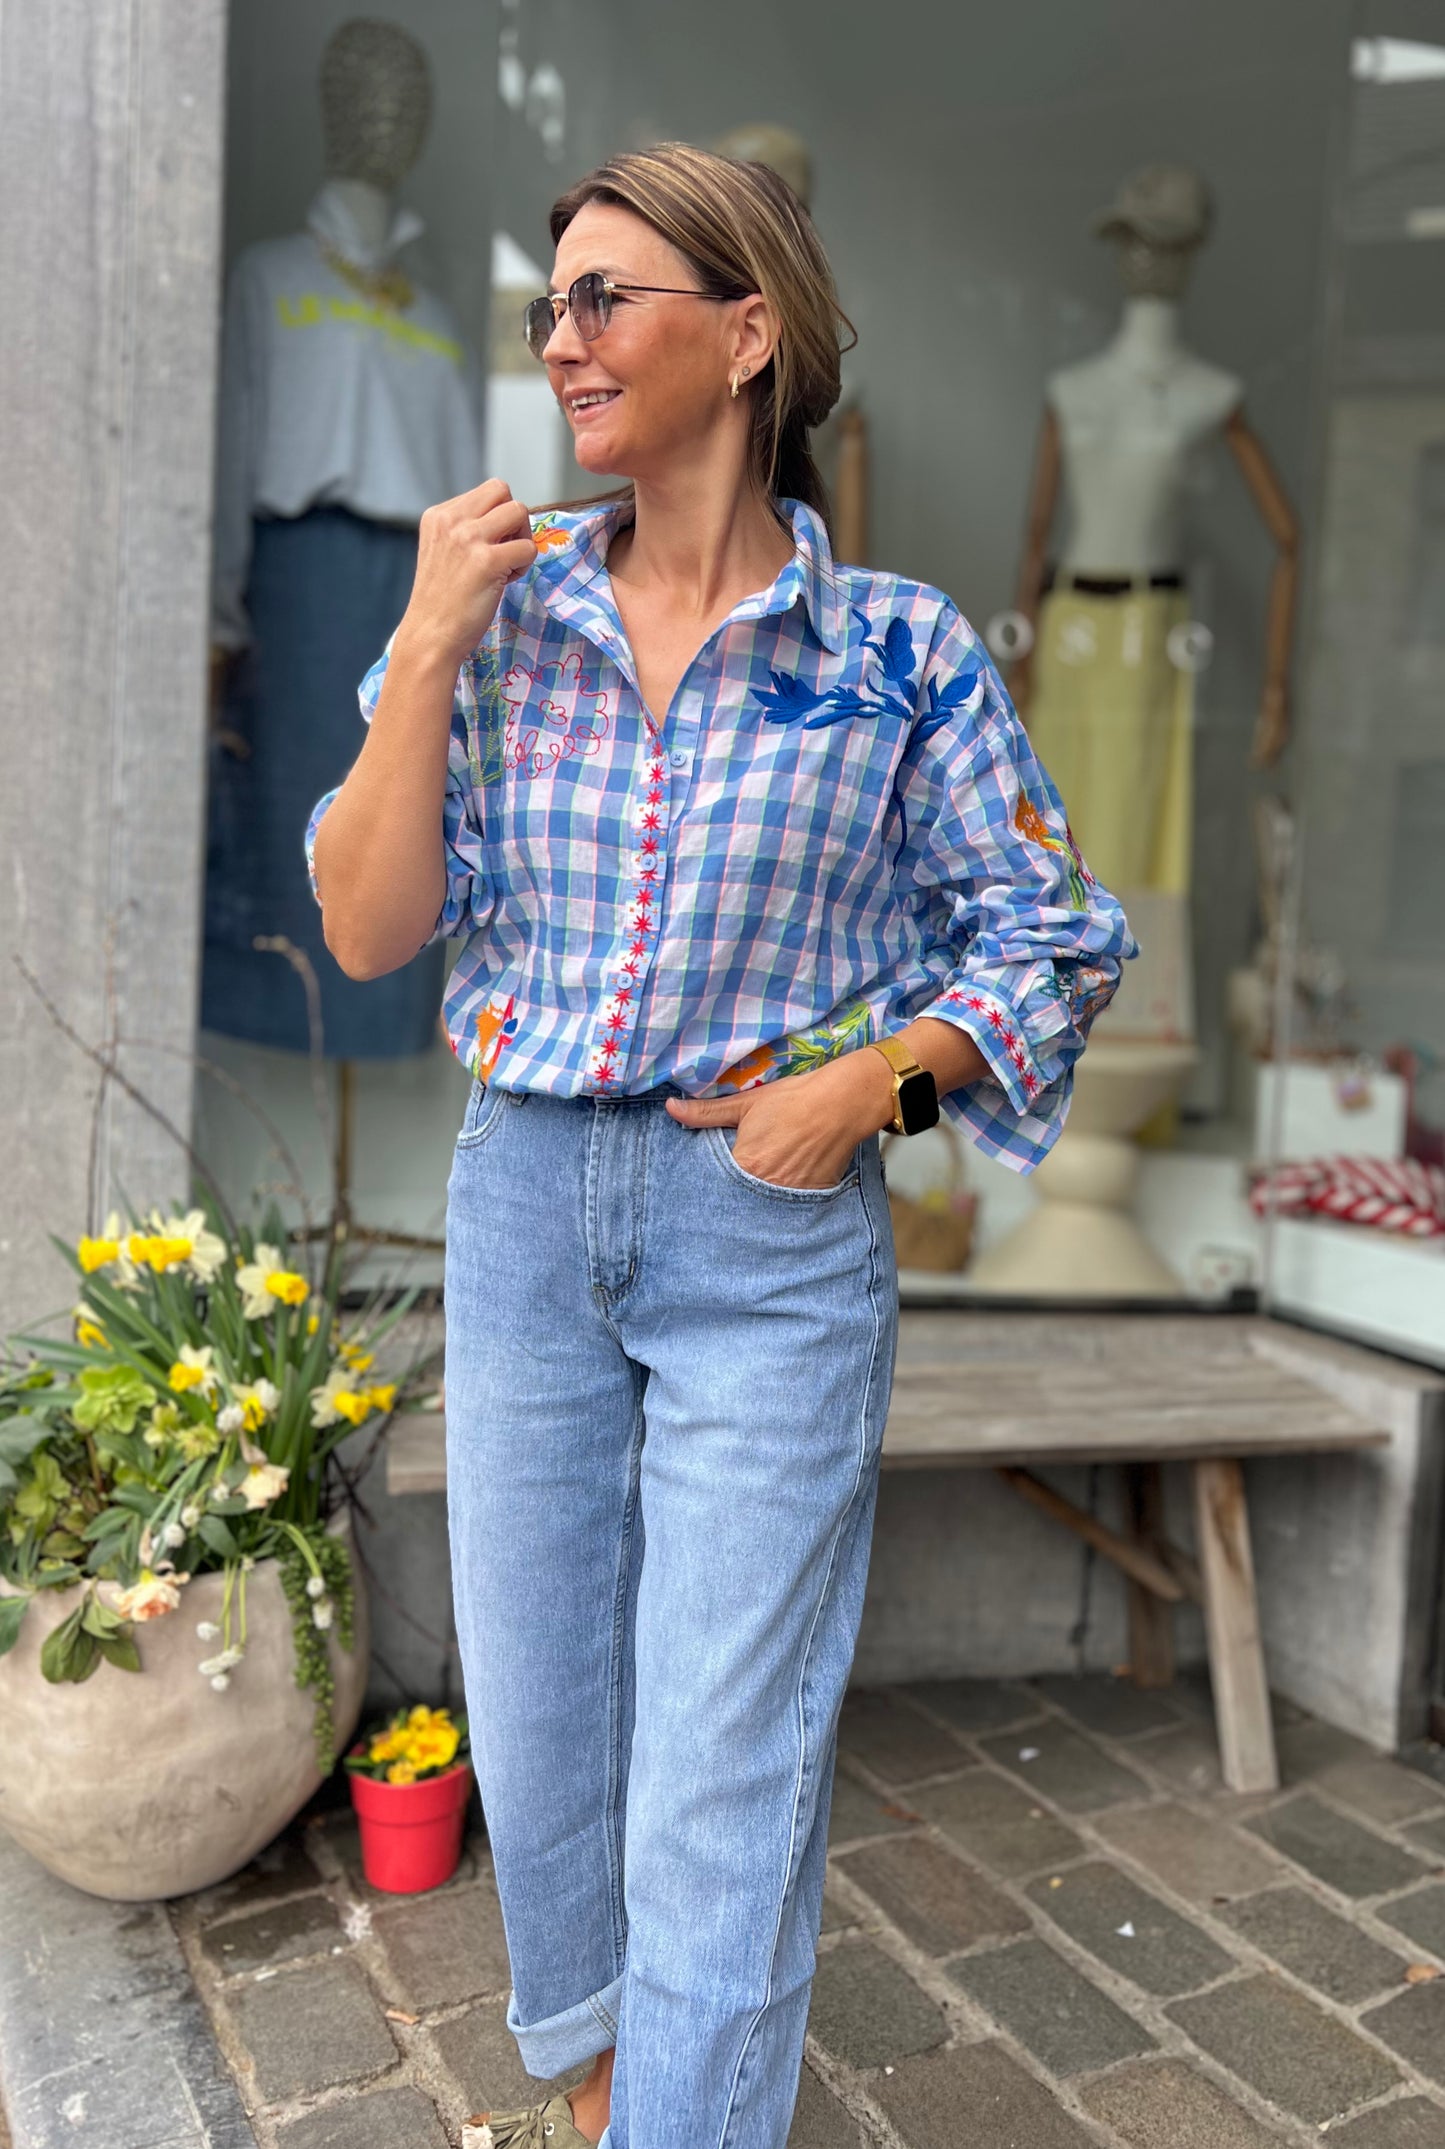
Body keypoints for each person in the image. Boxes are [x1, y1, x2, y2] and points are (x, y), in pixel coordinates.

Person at [308, 142, 1131, 2149]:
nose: (564, 341)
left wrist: (876, 1090)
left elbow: (1058, 944)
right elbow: (364, 921)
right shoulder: (496, 623)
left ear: (746, 331)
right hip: (523, 1204)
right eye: (551, 309)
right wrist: (419, 643)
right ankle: (605, 2072)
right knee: (550, 1725)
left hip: (766, 1237)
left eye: (609, 297)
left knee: (724, 1765)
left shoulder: (902, 654)